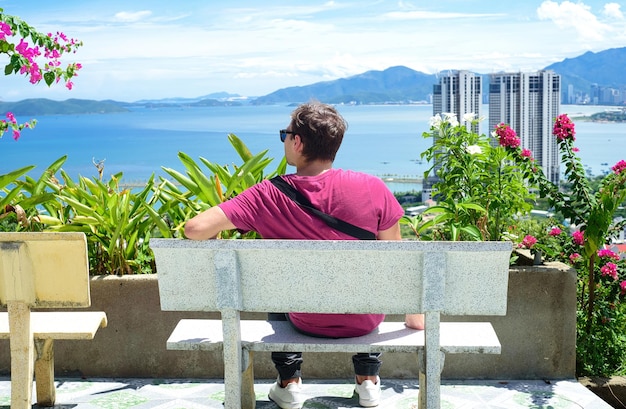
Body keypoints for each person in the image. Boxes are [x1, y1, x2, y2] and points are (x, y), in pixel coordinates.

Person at [184, 101, 425, 409]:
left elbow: (195, 228)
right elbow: (396, 261)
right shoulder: (373, 187)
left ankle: (289, 383)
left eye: (285, 134)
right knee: (364, 281)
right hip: (364, 322)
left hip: (304, 319)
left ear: (296, 142)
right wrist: (414, 314)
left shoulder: (267, 194)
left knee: (278, 288)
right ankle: (368, 380)